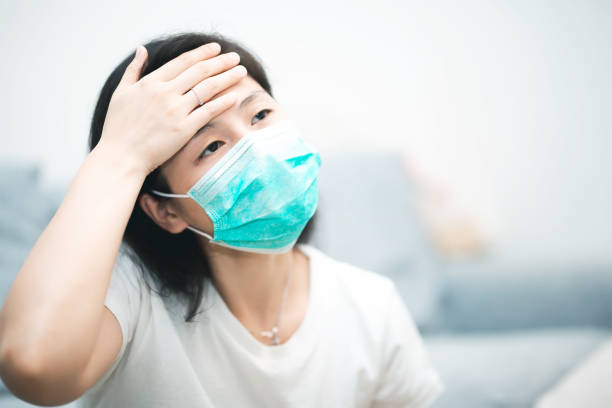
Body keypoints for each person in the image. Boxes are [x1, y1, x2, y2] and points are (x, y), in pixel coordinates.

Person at [0, 31, 444, 407]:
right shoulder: (132, 297)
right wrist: (118, 154)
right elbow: (35, 366)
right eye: (210, 147)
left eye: (261, 114)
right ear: (165, 209)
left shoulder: (372, 306)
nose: (257, 149)